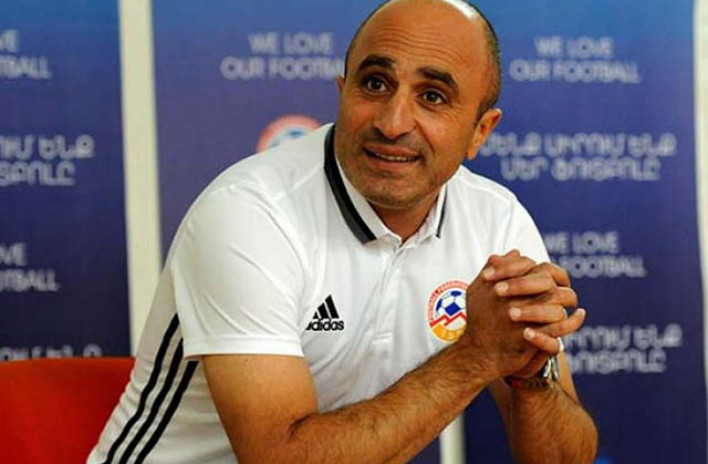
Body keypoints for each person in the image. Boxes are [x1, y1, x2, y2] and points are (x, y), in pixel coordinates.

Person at [89, 0, 598, 462]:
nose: (393, 122)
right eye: (374, 84)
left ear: (480, 131)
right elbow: (278, 458)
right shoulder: (249, 213)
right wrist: (476, 355)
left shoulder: (497, 221)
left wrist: (531, 377)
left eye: (433, 96)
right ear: (342, 91)